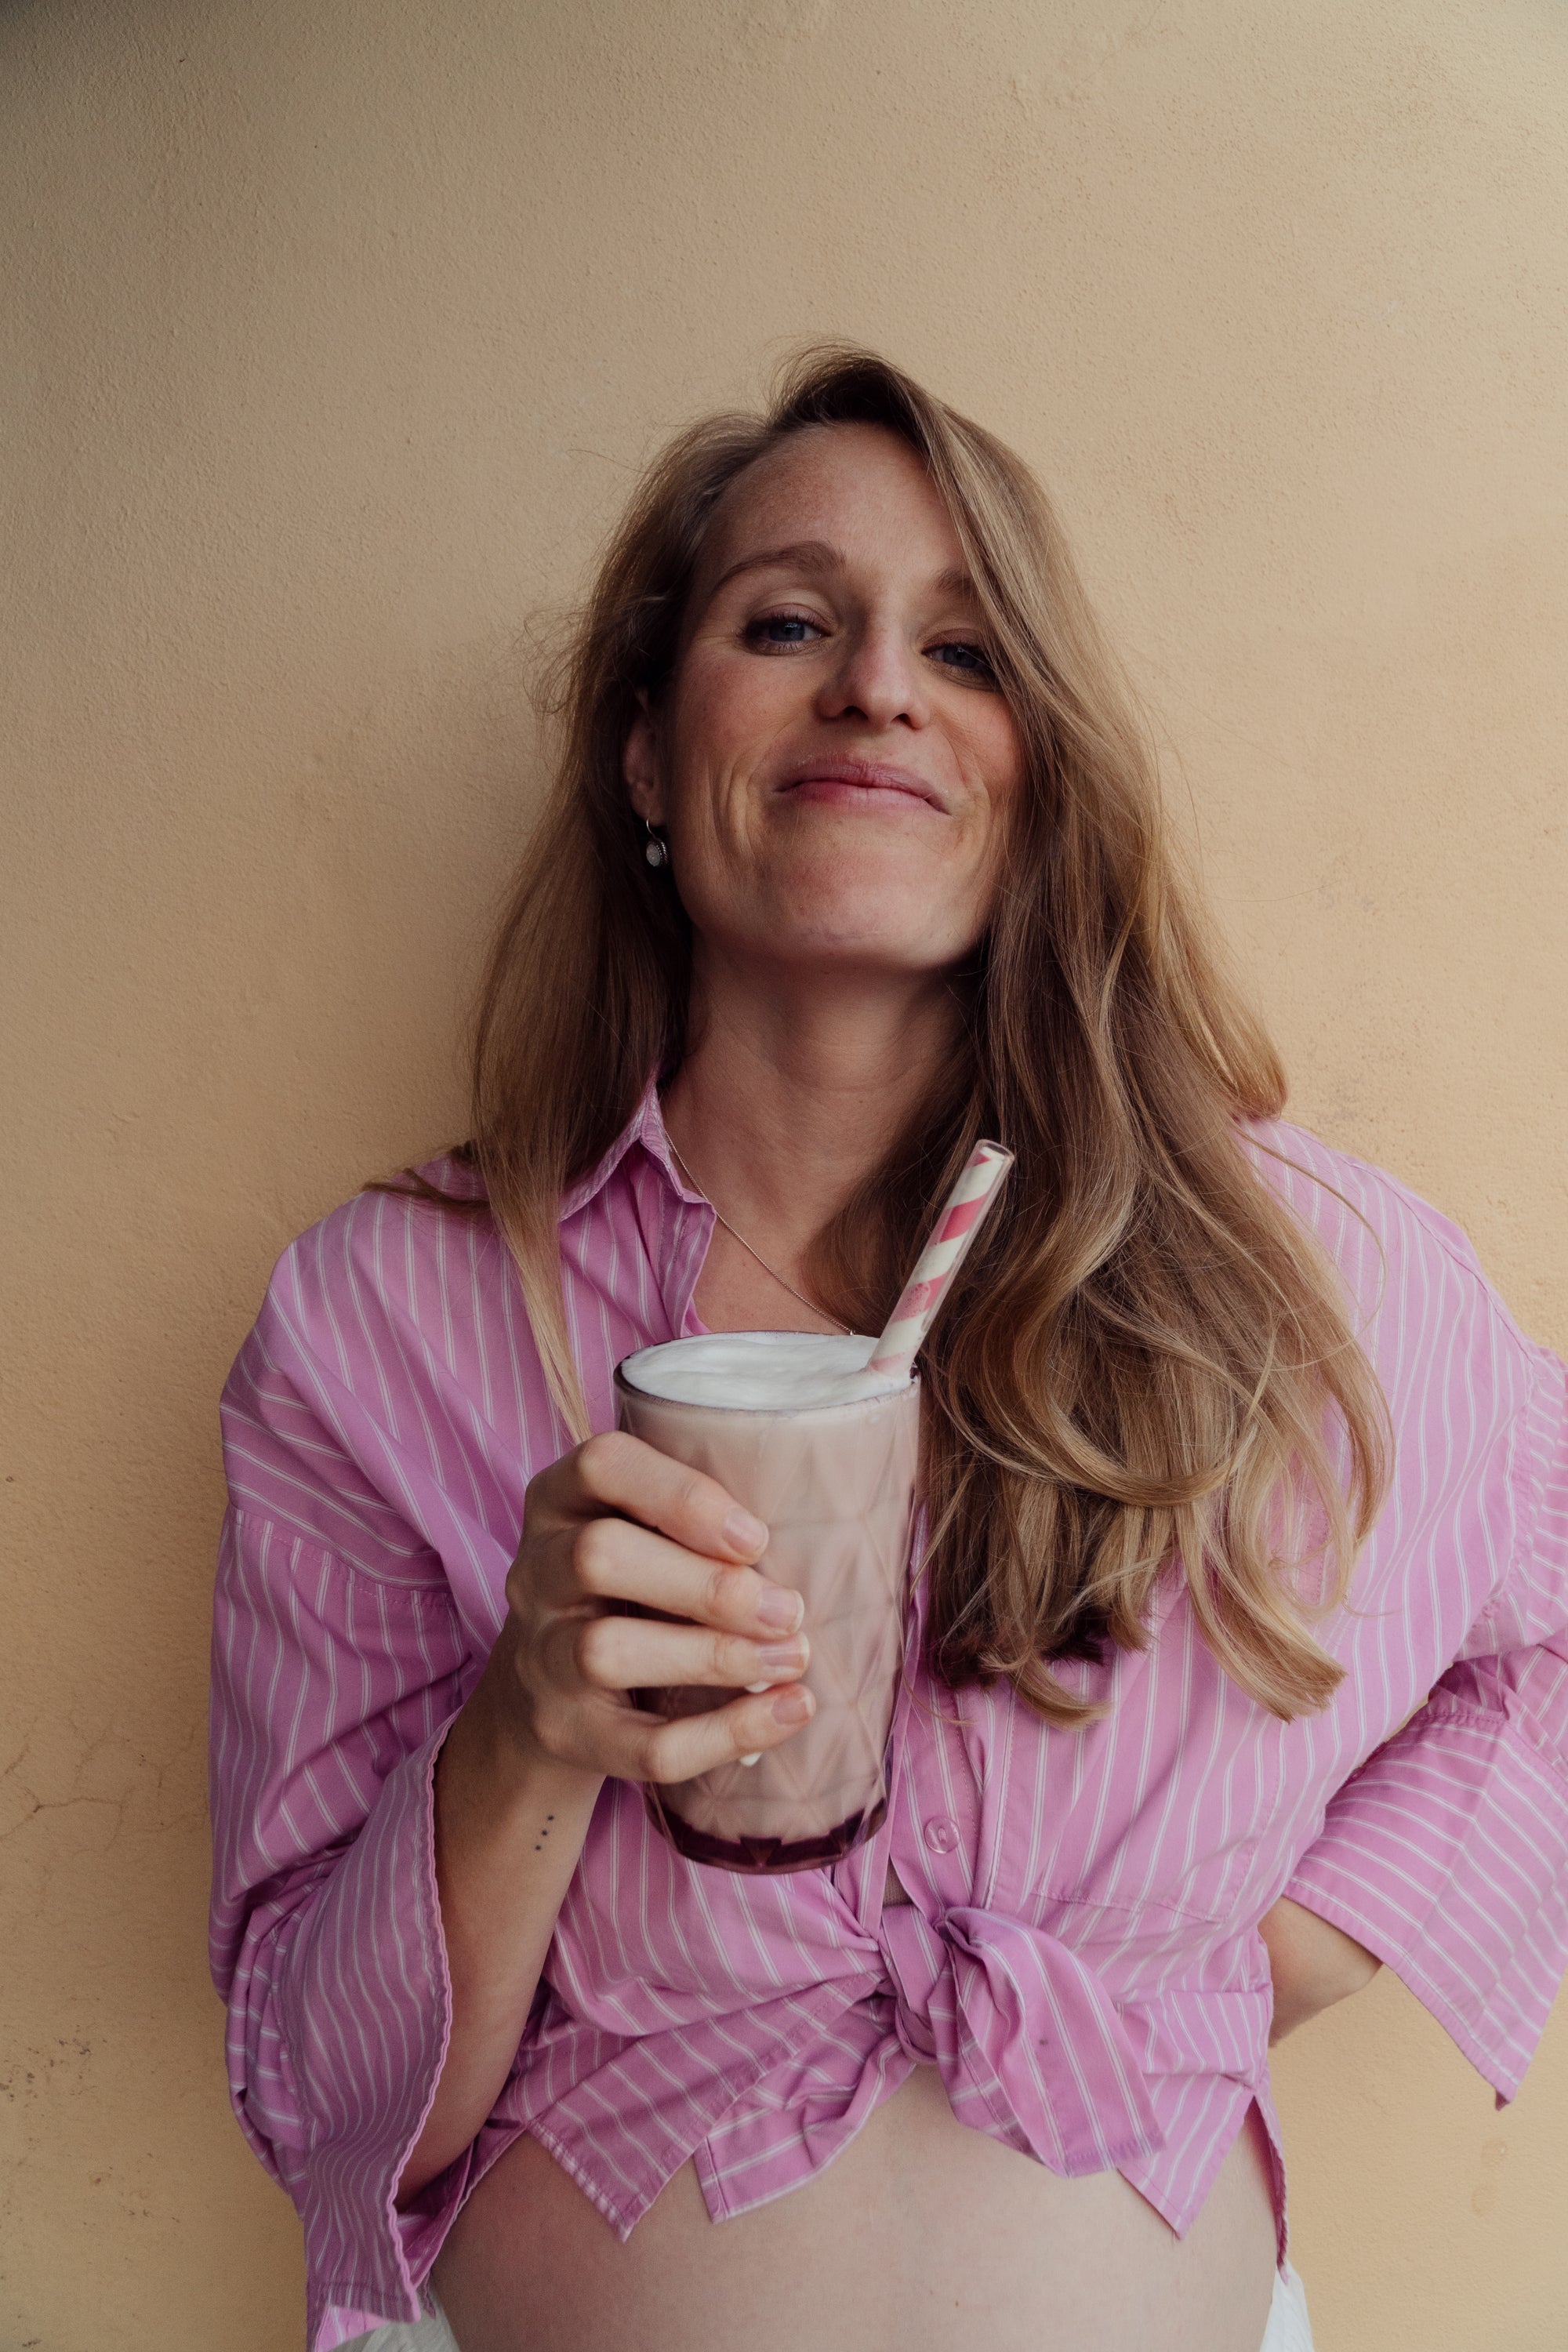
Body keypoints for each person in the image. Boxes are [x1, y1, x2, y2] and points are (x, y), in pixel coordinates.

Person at [209, 348, 1568, 2352]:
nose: (877, 687)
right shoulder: (380, 1320)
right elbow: (322, 2106)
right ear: (650, 755)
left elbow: (1544, 1639)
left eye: (966, 647)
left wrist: (1277, 1953)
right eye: (787, 624)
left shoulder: (1311, 1281)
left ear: (1042, 771)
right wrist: (526, 1731)